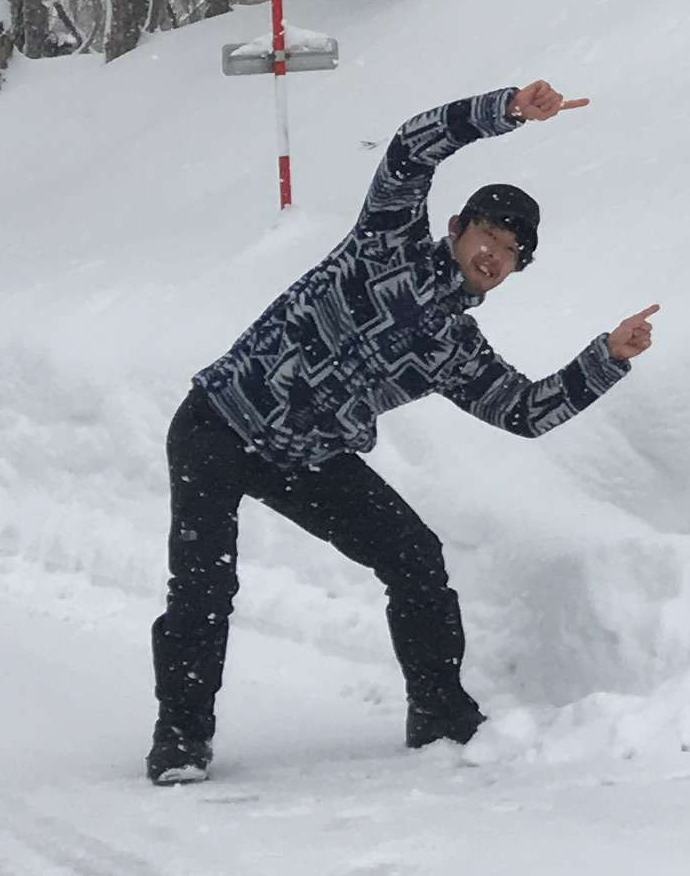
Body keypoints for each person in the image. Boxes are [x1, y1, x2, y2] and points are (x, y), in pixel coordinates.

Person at [147, 78, 655, 785]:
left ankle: (439, 712)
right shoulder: (386, 241)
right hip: (221, 421)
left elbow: (524, 412)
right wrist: (506, 109)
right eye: (489, 235)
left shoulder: (453, 347)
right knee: (204, 585)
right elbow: (414, 146)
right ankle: (180, 741)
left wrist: (607, 359)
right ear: (457, 228)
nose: (495, 255)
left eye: (512, 251)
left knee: (416, 557)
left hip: (306, 457)